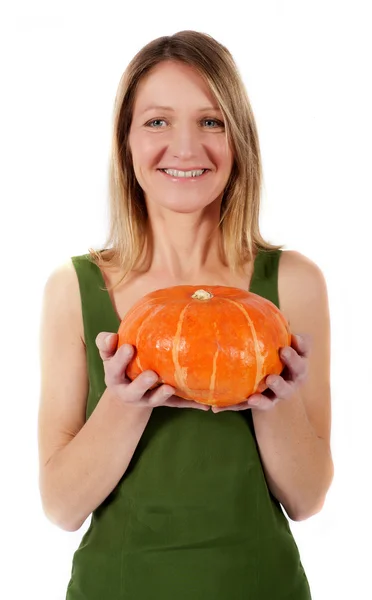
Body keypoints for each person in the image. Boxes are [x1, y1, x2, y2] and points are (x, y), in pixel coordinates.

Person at [38, 30, 334, 599]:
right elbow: (60, 506)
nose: (185, 147)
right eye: (156, 121)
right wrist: (124, 405)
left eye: (211, 121)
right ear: (125, 140)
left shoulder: (293, 283)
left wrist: (279, 402)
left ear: (238, 139)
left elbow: (307, 499)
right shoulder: (74, 288)